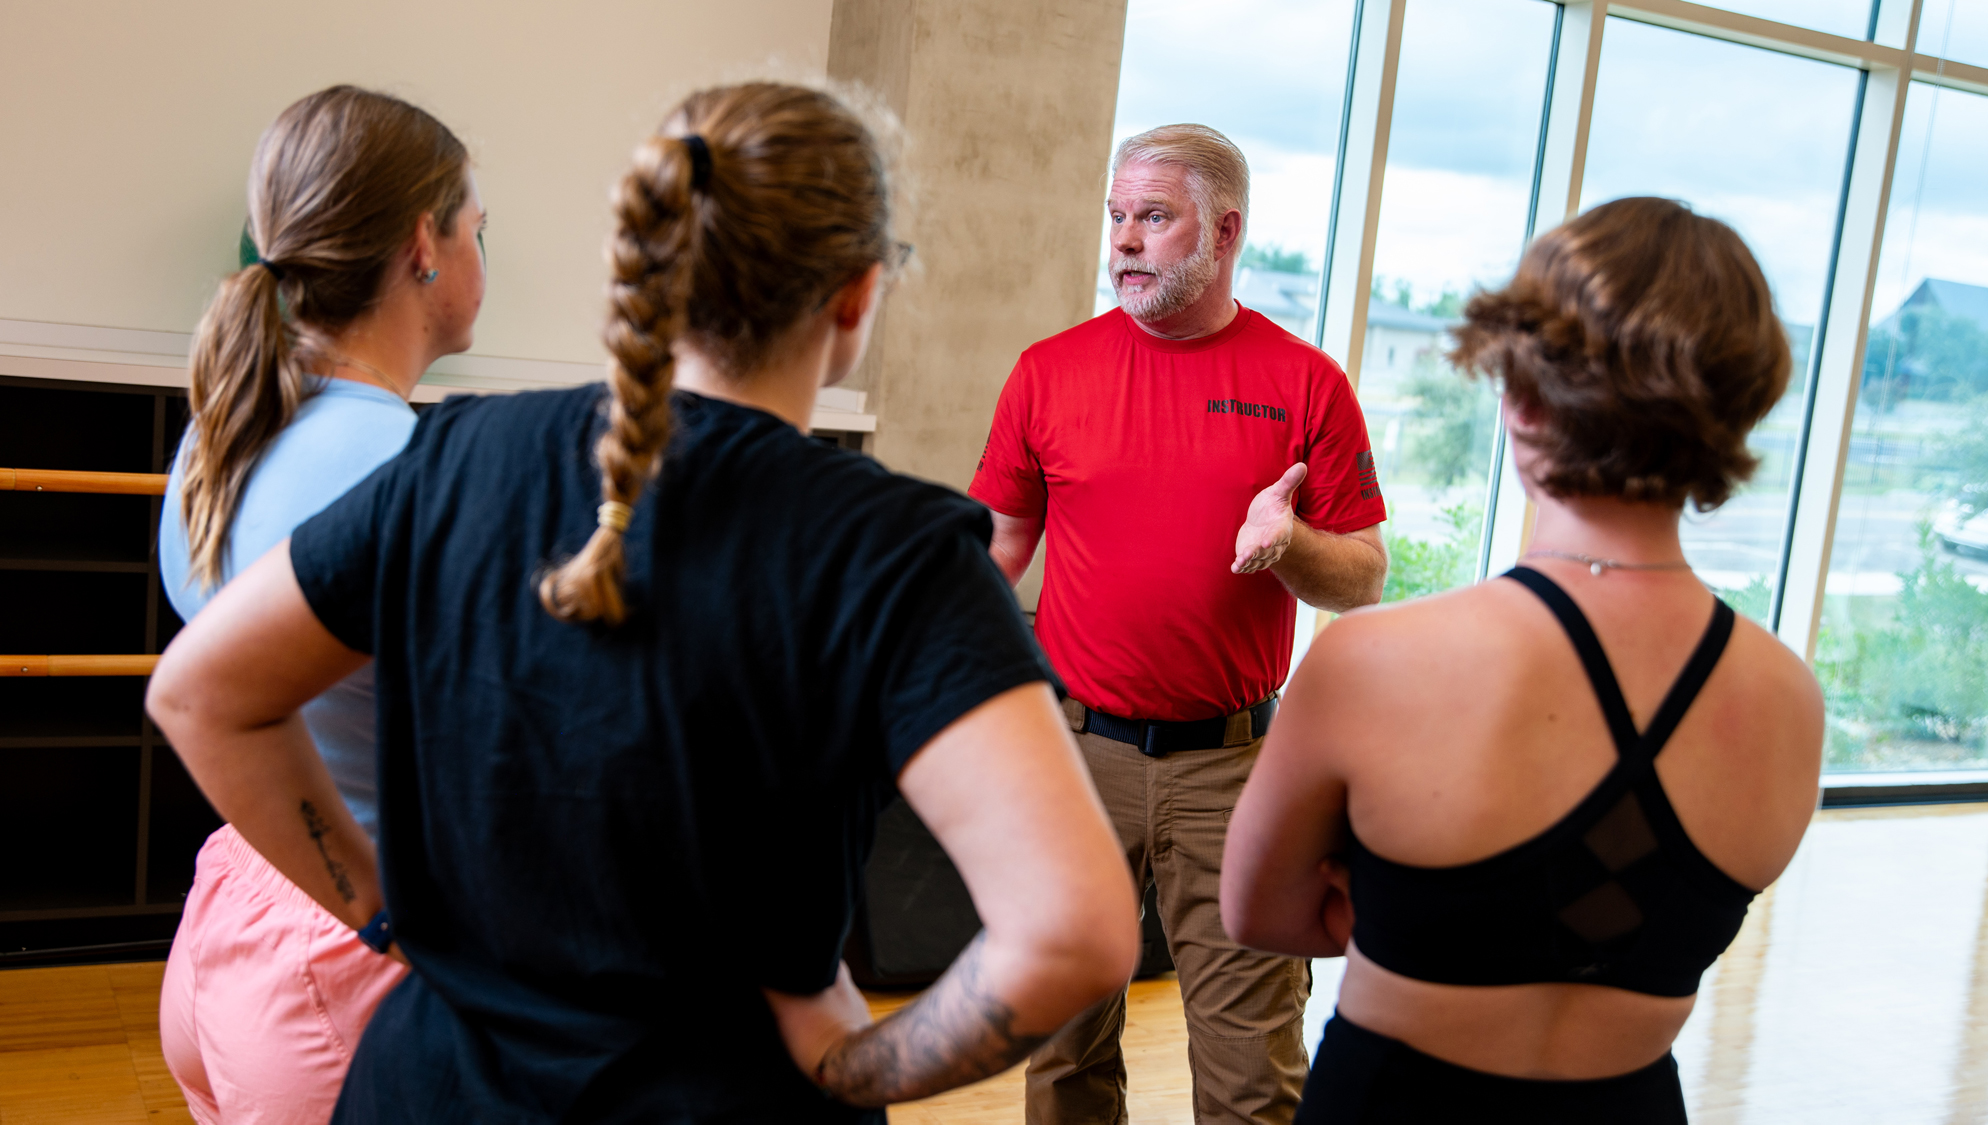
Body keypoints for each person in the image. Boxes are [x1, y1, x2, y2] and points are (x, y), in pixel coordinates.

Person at [146, 81, 1138, 1124]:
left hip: (426, 1086)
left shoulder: (453, 454)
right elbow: (1072, 933)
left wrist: (385, 914)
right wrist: (856, 1061)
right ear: (857, 290)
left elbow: (200, 697)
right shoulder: (897, 549)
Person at [1221, 196, 1825, 1122]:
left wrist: (1393, 899)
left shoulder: (1377, 660)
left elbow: (1258, 913)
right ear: (1736, 413)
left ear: (1520, 395)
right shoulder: (1789, 699)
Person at [969, 123, 1388, 1125]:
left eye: (1151, 217)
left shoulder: (1305, 385)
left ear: (1223, 228)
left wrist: (1287, 546)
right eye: (1116, 217)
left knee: (1250, 1078)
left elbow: (1363, 576)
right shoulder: (1047, 371)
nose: (1121, 240)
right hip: (1073, 757)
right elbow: (995, 550)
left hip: (1234, 774)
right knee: (1061, 1057)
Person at [154, 85, 484, 1124]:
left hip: (232, 918)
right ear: (424, 245)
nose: (484, 256)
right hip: (351, 964)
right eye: (481, 229)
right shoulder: (403, 468)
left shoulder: (224, 431)